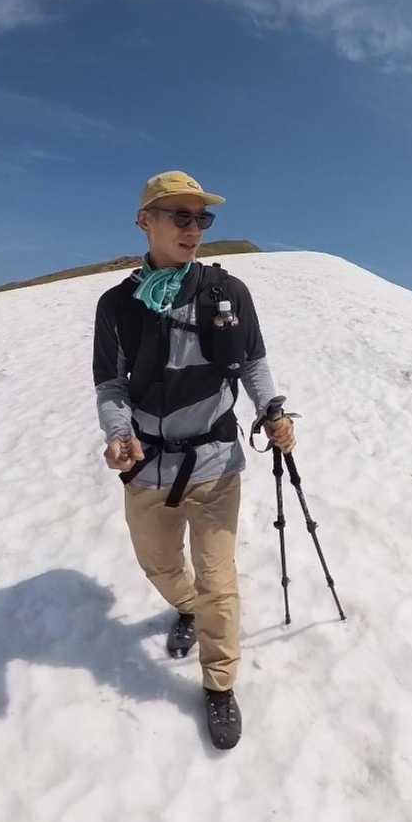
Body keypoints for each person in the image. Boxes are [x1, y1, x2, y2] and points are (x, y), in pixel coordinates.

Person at [91, 170, 296, 749]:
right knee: (158, 565)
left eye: (201, 217)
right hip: (147, 464)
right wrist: (118, 433)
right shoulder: (116, 305)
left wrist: (273, 410)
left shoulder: (227, 292)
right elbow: (111, 384)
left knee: (217, 582)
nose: (194, 228)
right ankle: (185, 607)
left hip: (215, 461)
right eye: (180, 216)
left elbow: (253, 362)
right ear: (145, 221)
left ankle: (219, 685)